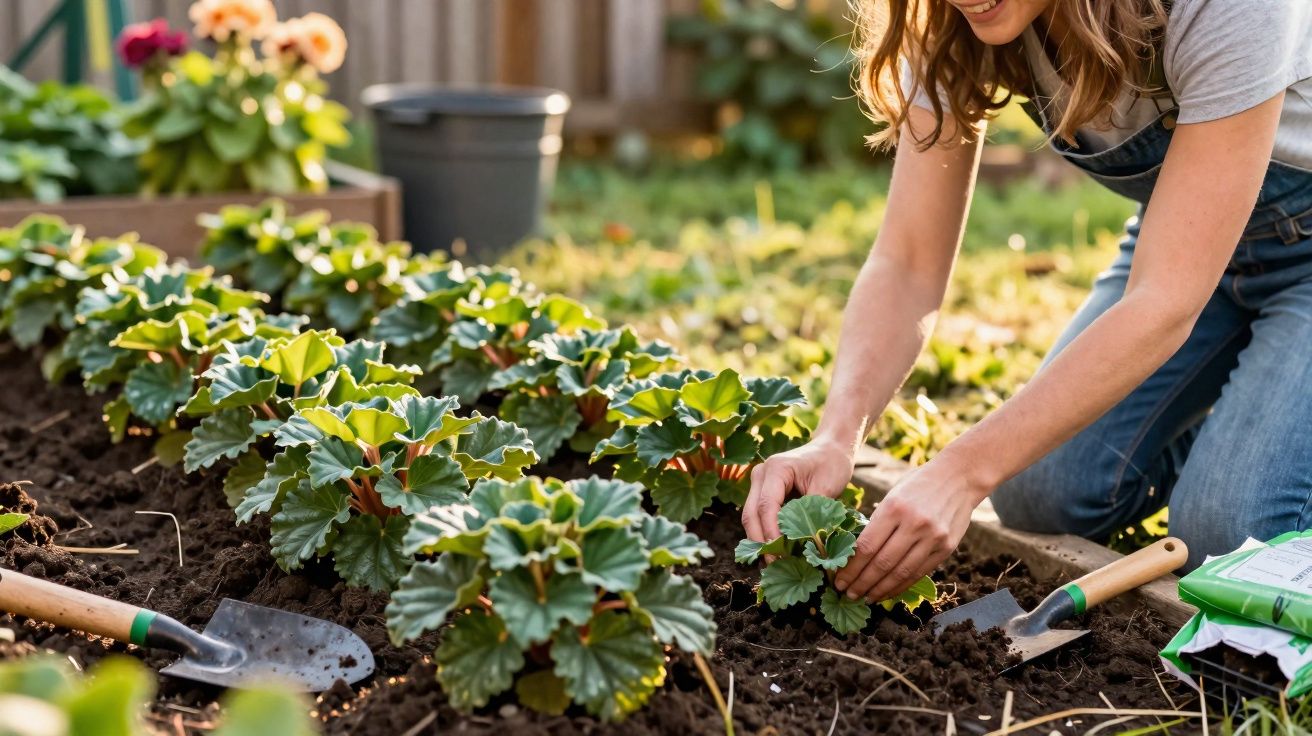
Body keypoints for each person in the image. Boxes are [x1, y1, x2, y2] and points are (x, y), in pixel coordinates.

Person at [742, 0, 1312, 604]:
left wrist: (960, 472)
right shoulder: (942, 18)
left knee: (1229, 535)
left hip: (1223, 269)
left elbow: (1163, 303)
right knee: (1042, 492)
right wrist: (837, 436)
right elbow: (908, 260)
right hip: (1189, 247)